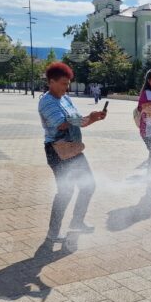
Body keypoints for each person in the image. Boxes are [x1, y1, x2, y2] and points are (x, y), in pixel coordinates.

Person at [38, 62, 106, 243]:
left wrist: (93, 118)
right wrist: (86, 118)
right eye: (62, 83)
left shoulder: (65, 99)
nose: (66, 87)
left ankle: (77, 222)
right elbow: (61, 124)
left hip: (73, 149)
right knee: (65, 191)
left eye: (68, 84)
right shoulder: (46, 101)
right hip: (57, 151)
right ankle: (53, 233)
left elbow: (78, 122)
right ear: (51, 82)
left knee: (88, 185)